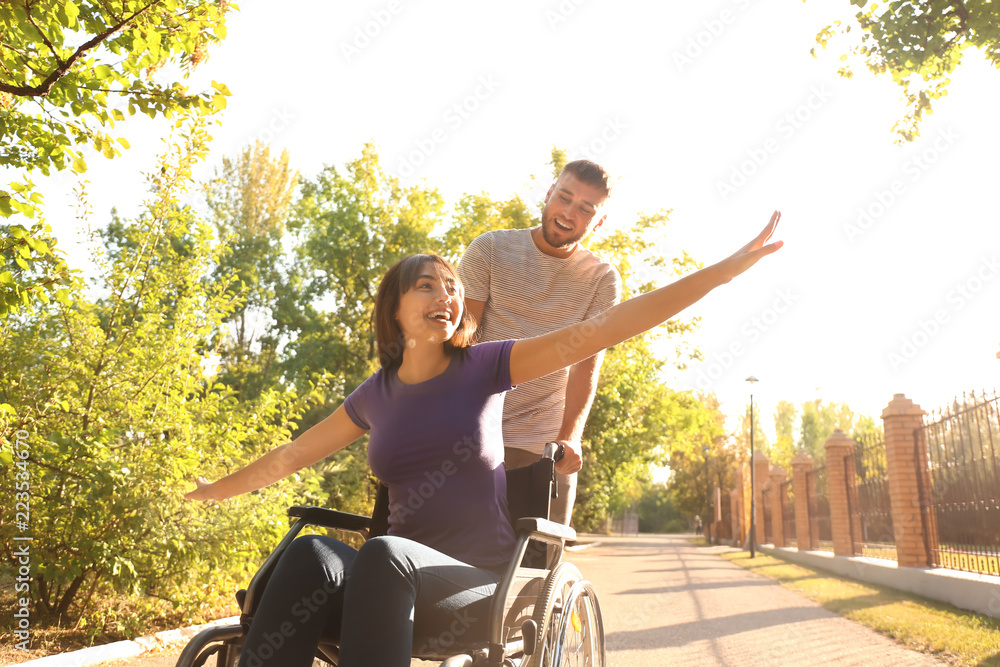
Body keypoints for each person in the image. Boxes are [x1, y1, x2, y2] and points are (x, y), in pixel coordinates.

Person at [185, 212, 782, 666]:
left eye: (450, 286)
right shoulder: (375, 395)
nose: (445, 295)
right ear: (393, 309)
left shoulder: (486, 367)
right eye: (426, 286)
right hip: (385, 584)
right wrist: (214, 491)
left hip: (477, 583)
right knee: (308, 553)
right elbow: (293, 455)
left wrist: (726, 270)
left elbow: (606, 328)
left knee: (382, 554)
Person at [457, 159, 621, 526]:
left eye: (585, 208)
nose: (568, 212)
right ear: (548, 195)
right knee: (445, 558)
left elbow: (586, 367)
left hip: (541, 444)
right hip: (471, 430)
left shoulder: (601, 280)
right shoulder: (491, 249)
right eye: (564, 197)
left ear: (600, 221)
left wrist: (571, 438)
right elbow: (458, 342)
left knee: (534, 568)